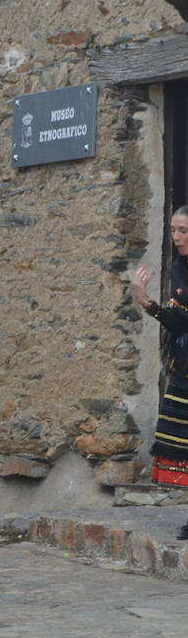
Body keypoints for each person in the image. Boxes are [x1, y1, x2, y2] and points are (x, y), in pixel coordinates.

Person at [135, 206, 188, 501]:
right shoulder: (179, 269)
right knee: (182, 445)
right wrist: (147, 304)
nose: (176, 237)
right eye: (173, 230)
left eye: (183, 231)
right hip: (185, 366)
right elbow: (181, 322)